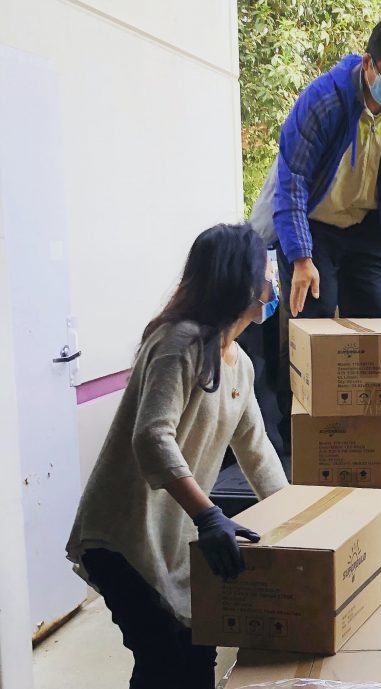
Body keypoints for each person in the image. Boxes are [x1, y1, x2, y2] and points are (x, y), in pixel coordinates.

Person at [66, 224, 289, 689]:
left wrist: (299, 521)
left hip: (174, 536)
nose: (273, 281)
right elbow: (152, 437)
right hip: (124, 535)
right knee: (164, 661)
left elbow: (257, 452)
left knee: (196, 654)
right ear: (238, 280)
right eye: (265, 270)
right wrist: (210, 516)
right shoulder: (179, 342)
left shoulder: (239, 364)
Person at [253, 14, 381, 440]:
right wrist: (301, 257)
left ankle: (367, 435)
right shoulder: (324, 100)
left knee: (373, 320)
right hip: (313, 226)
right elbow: (292, 182)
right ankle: (300, 436)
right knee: (312, 319)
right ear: (368, 63)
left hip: (365, 225)